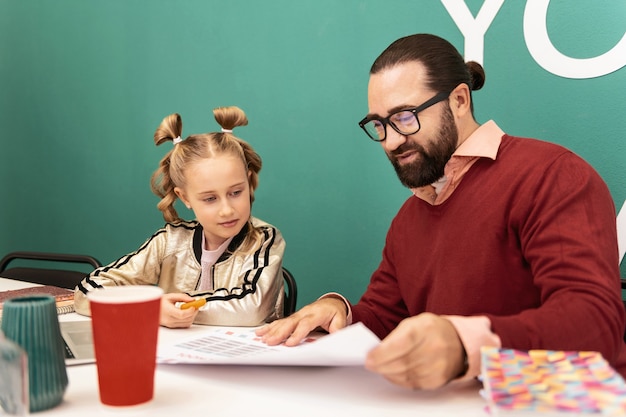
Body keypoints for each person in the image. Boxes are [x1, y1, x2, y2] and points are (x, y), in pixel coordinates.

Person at [257, 33, 626, 389]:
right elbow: (386, 317)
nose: (392, 140)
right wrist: (341, 313)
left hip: (559, 399)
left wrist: (465, 345)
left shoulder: (552, 176)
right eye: (379, 124)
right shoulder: (409, 217)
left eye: (405, 116)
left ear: (460, 101)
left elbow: (595, 326)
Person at [75, 106, 286, 328]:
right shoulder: (170, 241)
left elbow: (250, 308)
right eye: (210, 199)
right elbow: (88, 291)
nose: (227, 209)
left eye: (236, 192)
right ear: (184, 197)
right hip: (175, 355)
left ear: (248, 181)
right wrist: (150, 310)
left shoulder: (264, 240)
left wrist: (177, 308)